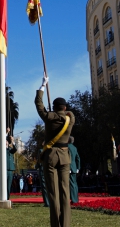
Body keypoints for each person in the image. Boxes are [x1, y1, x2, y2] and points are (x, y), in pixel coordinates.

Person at [35, 77, 75, 227]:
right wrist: (61, 111)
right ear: (64, 108)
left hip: (51, 155)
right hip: (65, 155)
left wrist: (43, 85)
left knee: (53, 195)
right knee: (65, 193)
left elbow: (39, 105)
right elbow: (69, 113)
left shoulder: (49, 117)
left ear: (54, 106)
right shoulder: (70, 119)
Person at [67, 136, 80, 203]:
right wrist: (78, 168)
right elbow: (78, 158)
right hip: (74, 168)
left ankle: (73, 199)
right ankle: (76, 198)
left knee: (71, 184)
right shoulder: (74, 148)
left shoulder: (67, 147)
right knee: (74, 183)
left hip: (69, 167)